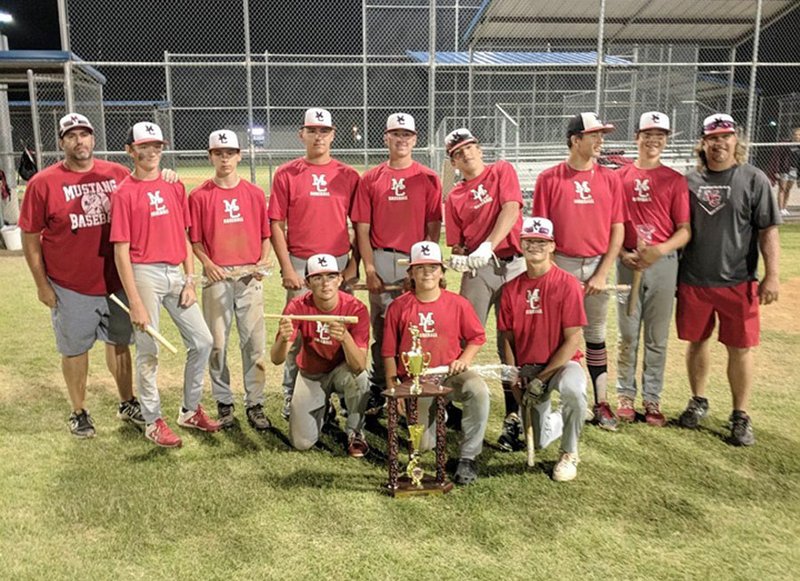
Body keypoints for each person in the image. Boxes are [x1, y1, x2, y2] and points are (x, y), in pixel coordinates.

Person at [19, 113, 143, 438]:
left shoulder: (116, 174)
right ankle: (79, 411)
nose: (79, 141)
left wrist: (169, 177)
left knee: (120, 343)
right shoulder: (43, 183)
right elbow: (31, 239)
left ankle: (127, 401)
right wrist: (41, 284)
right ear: (62, 142)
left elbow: (145, 192)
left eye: (84, 134)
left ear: (93, 139)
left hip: (115, 281)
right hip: (70, 284)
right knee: (75, 349)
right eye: (71, 135)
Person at [111, 121, 219, 448]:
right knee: (149, 351)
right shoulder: (124, 193)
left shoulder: (174, 185)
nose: (151, 152)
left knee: (202, 341)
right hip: (145, 274)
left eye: (156, 146)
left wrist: (189, 279)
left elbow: (184, 236)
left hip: (176, 272)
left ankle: (188, 409)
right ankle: (152, 420)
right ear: (130, 150)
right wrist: (135, 301)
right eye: (144, 146)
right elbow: (121, 251)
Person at [676, 113, 781, 446]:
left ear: (737, 140)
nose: (719, 143)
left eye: (726, 136)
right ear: (703, 143)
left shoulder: (754, 179)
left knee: (740, 348)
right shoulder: (689, 183)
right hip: (694, 279)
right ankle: (698, 399)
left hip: (738, 280)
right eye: (712, 137)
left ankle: (740, 414)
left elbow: (768, 230)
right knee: (697, 342)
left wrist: (772, 275)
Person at [532, 112, 624, 431]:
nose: (600, 141)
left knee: (596, 334)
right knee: (562, 336)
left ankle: (601, 403)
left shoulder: (611, 178)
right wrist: (555, 273)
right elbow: (541, 234)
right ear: (575, 140)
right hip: (562, 264)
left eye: (602, 135)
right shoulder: (549, 178)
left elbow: (617, 230)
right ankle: (568, 399)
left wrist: (602, 273)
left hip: (597, 262)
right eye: (594, 135)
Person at [268, 108, 360, 420]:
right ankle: (291, 396)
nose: (318, 136)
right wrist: (288, 269)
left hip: (337, 263)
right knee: (294, 336)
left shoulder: (347, 175)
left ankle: (348, 398)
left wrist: (353, 266)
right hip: (301, 261)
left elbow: (360, 225)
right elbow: (276, 225)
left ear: (333, 134)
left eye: (324, 130)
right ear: (302, 134)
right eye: (312, 130)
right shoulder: (287, 173)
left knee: (341, 332)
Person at [351, 112, 442, 411]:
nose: (401, 140)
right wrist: (370, 268)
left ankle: (419, 384)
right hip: (382, 256)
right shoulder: (371, 178)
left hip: (415, 259)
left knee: (418, 325)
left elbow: (432, 227)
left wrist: (424, 268)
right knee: (383, 327)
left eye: (407, 135)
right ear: (386, 138)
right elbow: (362, 229)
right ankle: (381, 386)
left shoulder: (428, 178)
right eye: (396, 134)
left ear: (415, 140)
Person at [442, 128, 525, 452]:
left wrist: (487, 245)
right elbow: (460, 244)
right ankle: (446, 404)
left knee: (511, 340)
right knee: (461, 334)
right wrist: (462, 259)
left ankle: (514, 417)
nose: (467, 155)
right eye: (459, 153)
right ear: (454, 162)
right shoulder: (456, 197)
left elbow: (510, 210)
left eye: (470, 148)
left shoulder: (501, 170)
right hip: (480, 268)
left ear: (479, 148)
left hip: (513, 263)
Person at [383, 241, 490, 485]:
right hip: (417, 381)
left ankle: (468, 457)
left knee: (477, 389)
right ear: (410, 273)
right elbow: (388, 352)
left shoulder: (457, 303)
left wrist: (464, 359)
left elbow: (477, 336)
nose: (427, 273)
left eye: (433, 267)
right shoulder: (398, 307)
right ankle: (437, 414)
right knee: (424, 445)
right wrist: (394, 390)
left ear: (442, 271)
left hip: (448, 374)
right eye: (420, 268)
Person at [189, 129, 272, 430]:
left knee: (254, 343)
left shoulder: (252, 192)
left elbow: (265, 234)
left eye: (230, 153)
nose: (224, 158)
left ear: (239, 155)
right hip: (218, 277)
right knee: (217, 344)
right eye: (218, 153)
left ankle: (256, 403)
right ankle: (224, 401)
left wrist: (263, 260)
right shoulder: (199, 195)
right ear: (210, 156)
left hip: (249, 276)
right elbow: (195, 240)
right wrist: (208, 264)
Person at [615, 112, 691, 426]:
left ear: (666, 140)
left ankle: (652, 398)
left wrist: (659, 249)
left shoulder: (674, 180)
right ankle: (625, 394)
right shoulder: (620, 177)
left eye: (660, 135)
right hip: (628, 262)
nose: (654, 140)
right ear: (637, 137)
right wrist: (621, 252)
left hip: (662, 263)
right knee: (628, 334)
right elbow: (611, 225)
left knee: (657, 337)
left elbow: (685, 230)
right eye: (648, 133)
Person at [498, 217, 587, 481]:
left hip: (561, 365)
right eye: (529, 241)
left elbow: (573, 340)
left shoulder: (567, 283)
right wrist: (513, 374)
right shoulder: (510, 289)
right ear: (521, 244)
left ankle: (569, 453)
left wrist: (542, 379)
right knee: (538, 441)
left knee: (573, 391)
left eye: (541, 241)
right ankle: (561, 419)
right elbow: (507, 338)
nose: (535, 246)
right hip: (528, 368)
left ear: (552, 246)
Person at [270, 254, 370, 456]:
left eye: (331, 276)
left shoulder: (356, 308)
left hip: (342, 371)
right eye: (317, 278)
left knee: (361, 379)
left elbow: (359, 366)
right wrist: (283, 339)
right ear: (307, 282)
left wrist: (345, 339)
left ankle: (356, 431)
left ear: (340, 279)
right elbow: (276, 359)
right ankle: (324, 409)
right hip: (311, 373)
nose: (326, 284)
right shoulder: (298, 307)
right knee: (301, 442)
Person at [775, 126, 799, 216]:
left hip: (794, 170)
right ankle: (780, 208)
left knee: (788, 189)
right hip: (784, 169)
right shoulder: (787, 144)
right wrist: (777, 170)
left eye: (799, 135)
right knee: (782, 188)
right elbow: (778, 157)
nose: (797, 136)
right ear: (793, 135)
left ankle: (784, 208)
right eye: (795, 134)